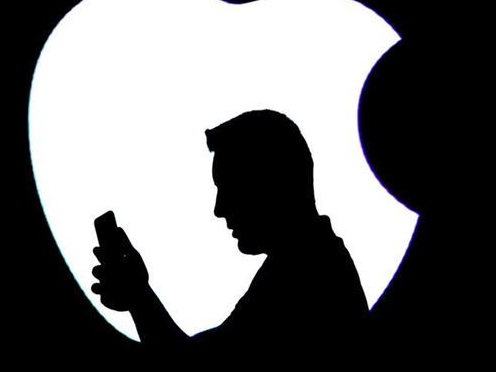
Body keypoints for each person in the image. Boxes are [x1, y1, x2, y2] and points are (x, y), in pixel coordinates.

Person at [91, 110, 367, 359]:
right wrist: (139, 296)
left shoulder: (302, 274)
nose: (219, 209)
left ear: (270, 184)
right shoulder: (306, 262)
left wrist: (139, 297)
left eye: (230, 188)